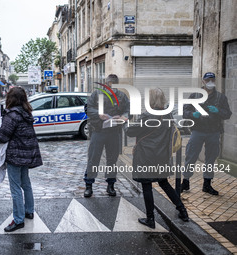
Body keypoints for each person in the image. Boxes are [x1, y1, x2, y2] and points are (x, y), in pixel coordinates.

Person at [126, 88, 189, 228]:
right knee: (164, 183)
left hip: (146, 155)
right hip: (162, 155)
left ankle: (150, 219)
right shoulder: (168, 114)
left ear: (151, 100)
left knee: (146, 185)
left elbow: (130, 131)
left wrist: (126, 122)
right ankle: (182, 211)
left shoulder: (147, 115)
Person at [0, 87, 42, 232]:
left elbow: (2, 137)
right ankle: (29, 211)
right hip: (26, 153)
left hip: (15, 155)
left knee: (15, 188)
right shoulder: (26, 113)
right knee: (26, 183)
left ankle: (19, 220)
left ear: (11, 99)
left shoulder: (12, 115)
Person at [181, 72, 232, 195]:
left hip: (213, 132)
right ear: (203, 81)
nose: (210, 82)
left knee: (210, 159)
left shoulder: (221, 97)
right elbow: (185, 111)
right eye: (208, 80)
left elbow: (227, 114)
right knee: (191, 156)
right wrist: (193, 114)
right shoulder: (195, 96)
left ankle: (207, 184)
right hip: (197, 131)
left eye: (212, 80)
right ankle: (185, 181)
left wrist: (218, 110)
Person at [84, 74, 130, 197]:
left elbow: (128, 110)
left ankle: (111, 185)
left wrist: (122, 117)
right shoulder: (96, 94)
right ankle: (89, 185)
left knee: (112, 160)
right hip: (98, 131)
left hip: (114, 132)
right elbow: (87, 108)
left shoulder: (122, 96)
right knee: (93, 159)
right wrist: (99, 114)